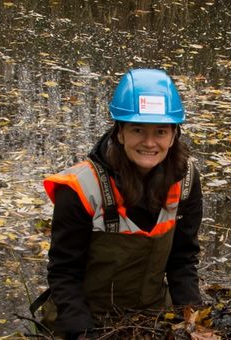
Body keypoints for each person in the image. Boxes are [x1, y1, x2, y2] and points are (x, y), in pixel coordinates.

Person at [41, 69, 203, 339]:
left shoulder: (186, 181)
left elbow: (182, 261)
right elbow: (64, 273)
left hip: (151, 313)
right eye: (137, 129)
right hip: (84, 314)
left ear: (174, 135)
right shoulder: (81, 187)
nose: (149, 143)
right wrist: (84, 333)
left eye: (160, 131)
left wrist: (193, 321)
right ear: (120, 133)